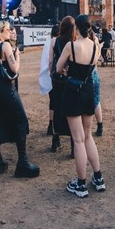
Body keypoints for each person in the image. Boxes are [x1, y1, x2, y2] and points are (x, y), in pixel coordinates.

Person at [56, 14, 105, 198]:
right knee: (88, 136)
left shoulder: (71, 46)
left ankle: (81, 184)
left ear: (76, 27)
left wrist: (68, 69)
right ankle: (98, 178)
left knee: (77, 140)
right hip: (88, 92)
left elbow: (58, 68)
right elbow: (92, 67)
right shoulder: (95, 47)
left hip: (73, 92)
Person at [0, 20, 40, 178]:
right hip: (7, 89)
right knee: (20, 120)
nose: (9, 32)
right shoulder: (5, 46)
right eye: (8, 29)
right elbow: (14, 69)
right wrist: (17, 56)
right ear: (1, 31)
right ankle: (22, 162)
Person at [48, 17, 75, 153]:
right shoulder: (74, 42)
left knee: (57, 107)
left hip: (57, 80)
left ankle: (55, 140)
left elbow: (51, 62)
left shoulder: (55, 41)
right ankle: (73, 145)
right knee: (71, 110)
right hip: (71, 80)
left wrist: (52, 75)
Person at [38, 24, 58, 137]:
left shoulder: (47, 43)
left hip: (48, 76)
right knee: (57, 102)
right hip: (54, 76)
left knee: (53, 102)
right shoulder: (56, 43)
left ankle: (51, 125)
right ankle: (54, 126)